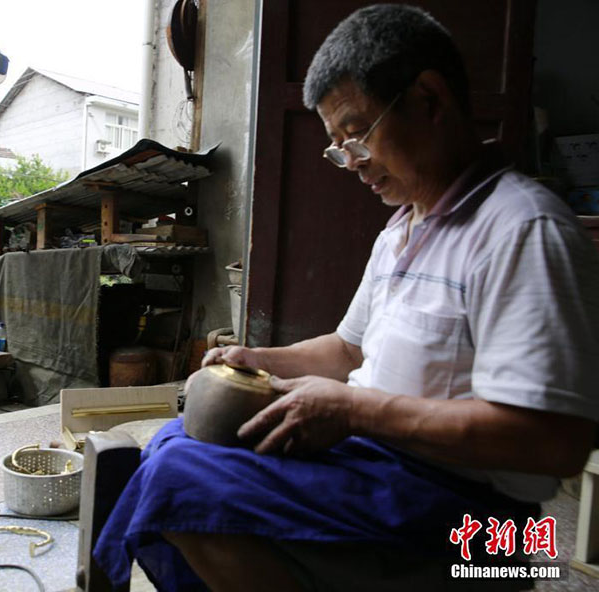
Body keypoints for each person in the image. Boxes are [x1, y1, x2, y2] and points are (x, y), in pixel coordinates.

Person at [93, 4, 599, 591]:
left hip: (482, 526)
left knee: (182, 479)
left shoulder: (522, 231)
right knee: (178, 439)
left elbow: (554, 443)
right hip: (385, 467)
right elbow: (347, 351)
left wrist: (355, 411)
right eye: (338, 148)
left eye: (356, 135)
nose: (351, 165)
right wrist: (259, 360)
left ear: (429, 100)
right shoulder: (402, 229)